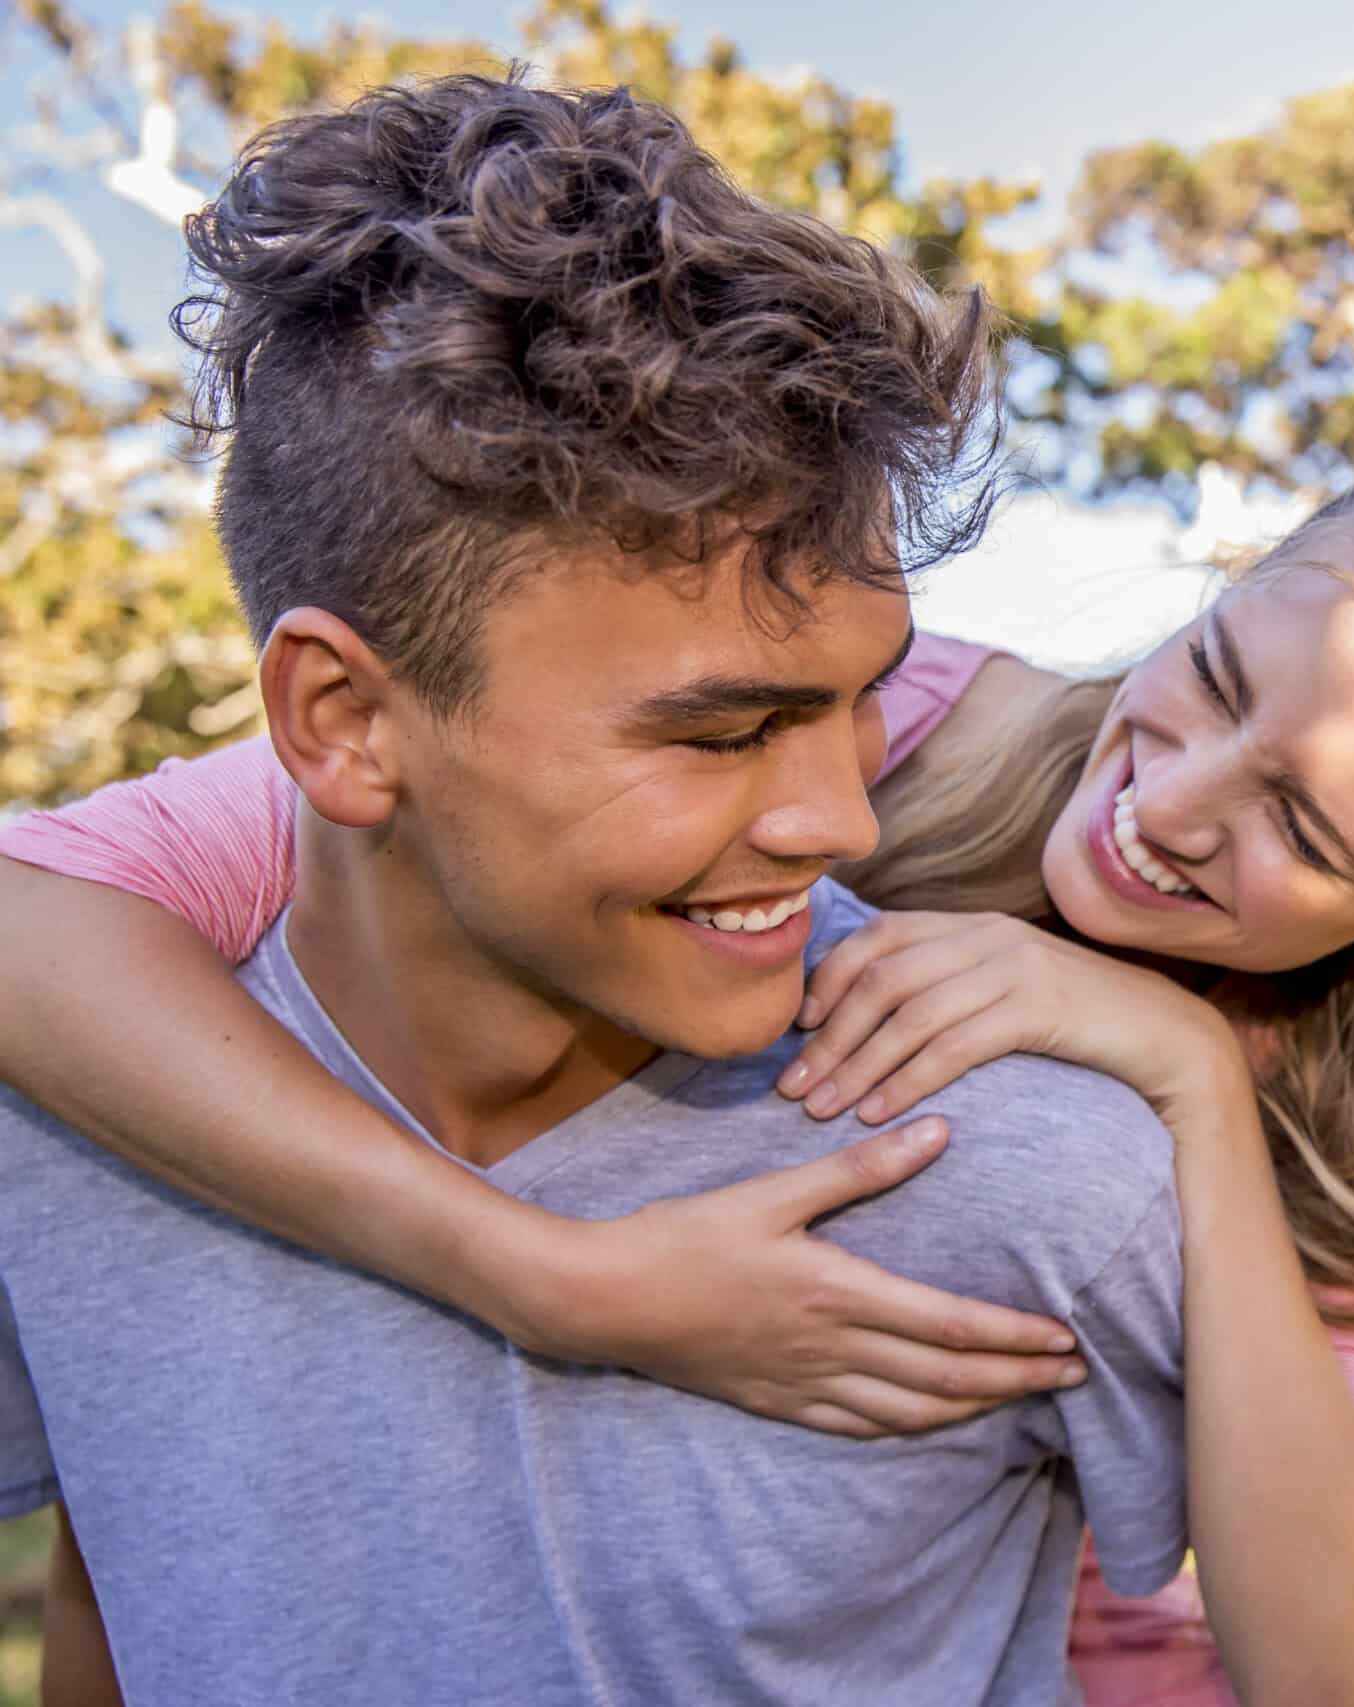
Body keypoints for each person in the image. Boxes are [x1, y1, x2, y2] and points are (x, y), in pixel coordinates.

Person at [1, 101, 1354, 1707]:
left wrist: (1192, 1085)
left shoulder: (1287, 1128)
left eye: (1307, 832)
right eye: (1217, 679)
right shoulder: (890, 712)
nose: (1169, 802)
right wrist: (547, 1278)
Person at [0, 73, 1194, 1706]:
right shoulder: (69, 1137)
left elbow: (1350, 1632)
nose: (845, 819)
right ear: (343, 725)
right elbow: (129, 1578)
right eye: (721, 734)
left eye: (861, 700)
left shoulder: (1028, 1166)